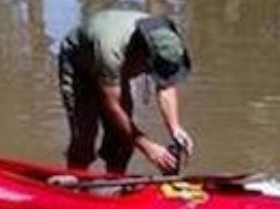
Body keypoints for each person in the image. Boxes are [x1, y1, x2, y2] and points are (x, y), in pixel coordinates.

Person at [57, 9, 194, 174]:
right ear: (144, 56)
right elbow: (113, 108)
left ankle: (115, 182)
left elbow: (166, 86)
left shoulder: (164, 40)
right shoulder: (111, 51)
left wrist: (175, 128)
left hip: (115, 66)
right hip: (79, 63)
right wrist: (148, 147)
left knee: (122, 139)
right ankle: (75, 181)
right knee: (85, 134)